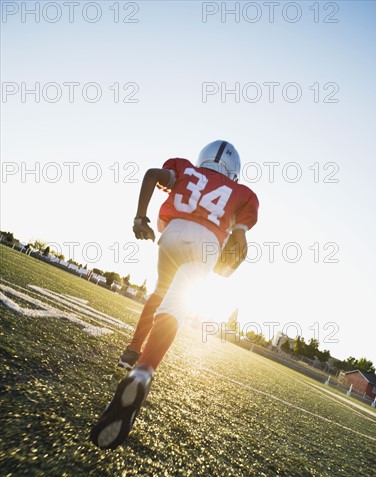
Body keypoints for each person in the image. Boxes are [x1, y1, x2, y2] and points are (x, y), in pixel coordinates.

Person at [90, 140, 259, 449]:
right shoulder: (243, 194)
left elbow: (153, 174)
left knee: (160, 292)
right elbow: (240, 243)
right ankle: (144, 371)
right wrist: (228, 266)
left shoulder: (184, 168)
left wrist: (139, 218)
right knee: (177, 305)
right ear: (234, 171)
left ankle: (132, 350)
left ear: (203, 158)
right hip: (207, 241)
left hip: (172, 234)